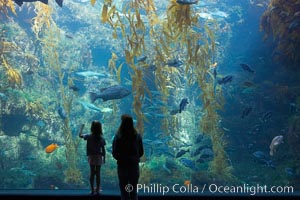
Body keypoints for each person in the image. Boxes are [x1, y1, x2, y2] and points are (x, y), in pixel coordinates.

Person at [112, 114, 144, 200]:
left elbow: (114, 152)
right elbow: (141, 152)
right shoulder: (137, 136)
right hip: (134, 166)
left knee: (124, 192)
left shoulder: (118, 136)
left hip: (122, 166)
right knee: (133, 192)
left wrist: (122, 159)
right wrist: (133, 158)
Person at [79, 120, 106, 195]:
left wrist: (81, 127)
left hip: (91, 156)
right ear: (100, 128)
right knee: (98, 173)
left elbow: (80, 135)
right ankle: (97, 190)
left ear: (92, 128)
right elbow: (103, 149)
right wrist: (104, 158)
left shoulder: (88, 136)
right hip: (98, 156)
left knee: (92, 173)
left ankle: (92, 190)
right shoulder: (101, 138)